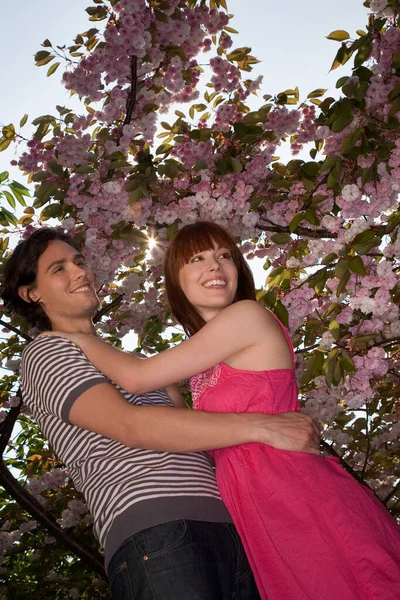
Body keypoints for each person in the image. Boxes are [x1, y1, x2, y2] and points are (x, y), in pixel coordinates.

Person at [47, 221, 400, 600]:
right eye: (197, 258)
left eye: (224, 256)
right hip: (251, 509)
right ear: (176, 280)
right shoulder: (204, 358)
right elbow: (184, 428)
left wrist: (72, 336)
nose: (215, 266)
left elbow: (135, 379)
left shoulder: (246, 314)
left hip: (291, 489)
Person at [0, 227, 321, 600]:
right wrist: (265, 426)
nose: (79, 272)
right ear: (31, 293)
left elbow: (196, 437)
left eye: (80, 262)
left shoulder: (138, 366)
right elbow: (130, 425)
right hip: (158, 531)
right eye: (59, 268)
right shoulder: (46, 352)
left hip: (236, 531)